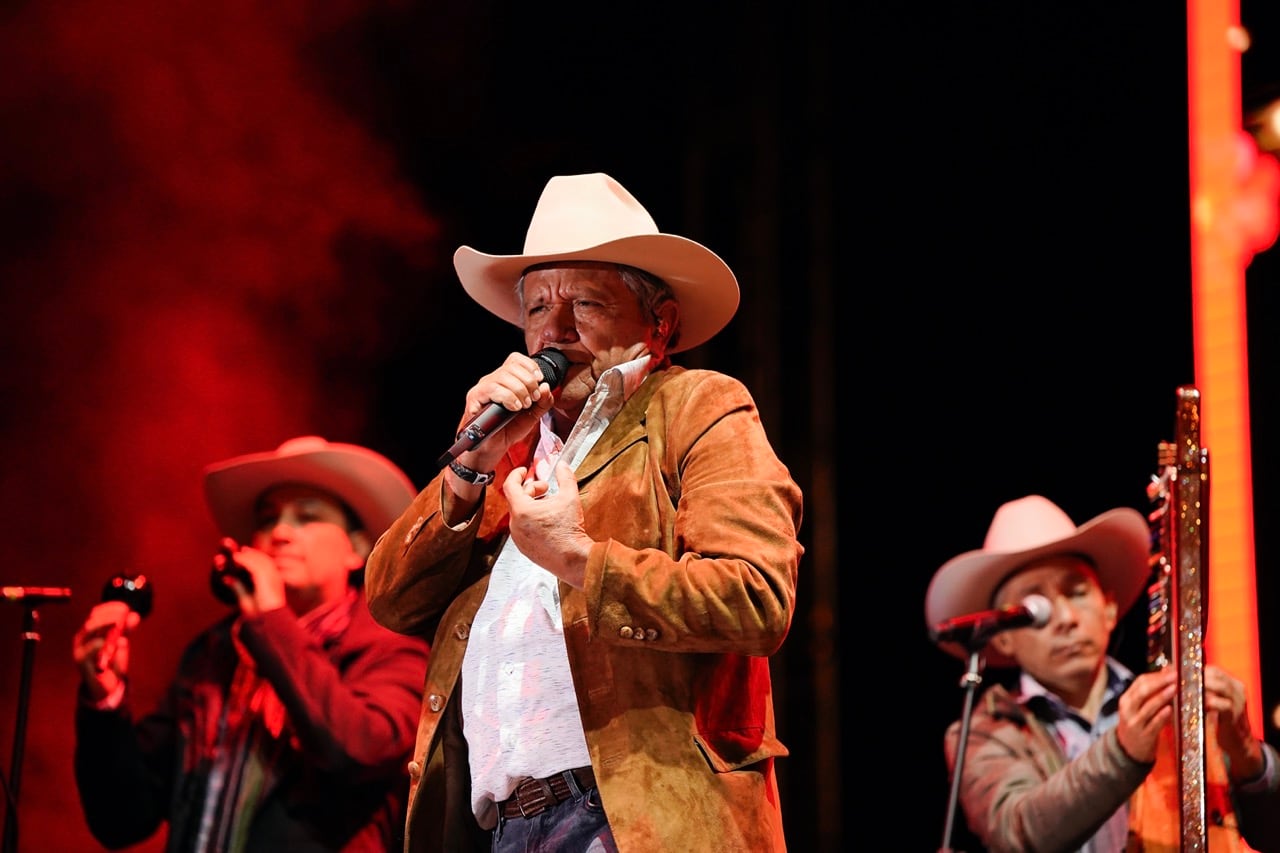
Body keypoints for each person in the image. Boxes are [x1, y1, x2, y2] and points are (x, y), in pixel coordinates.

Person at [363, 172, 804, 852]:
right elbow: (390, 598)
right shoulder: (506, 452)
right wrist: (468, 468)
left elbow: (755, 597)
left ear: (660, 323)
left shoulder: (697, 405)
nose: (555, 329)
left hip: (638, 820)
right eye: (538, 307)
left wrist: (580, 558)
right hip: (507, 827)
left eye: (587, 304)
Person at [72, 436, 432, 852]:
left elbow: (357, 751)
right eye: (267, 519)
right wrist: (105, 700)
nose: (280, 533)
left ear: (357, 549)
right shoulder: (215, 651)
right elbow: (122, 820)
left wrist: (272, 623)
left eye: (307, 517)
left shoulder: (391, 648)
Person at [924, 494, 1280, 853]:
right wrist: (1123, 752)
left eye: (1076, 592)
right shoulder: (986, 730)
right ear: (1002, 640)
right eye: (1036, 608)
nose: (1065, 619)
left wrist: (1251, 760)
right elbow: (1018, 833)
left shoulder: (1175, 706)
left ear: (1109, 607)